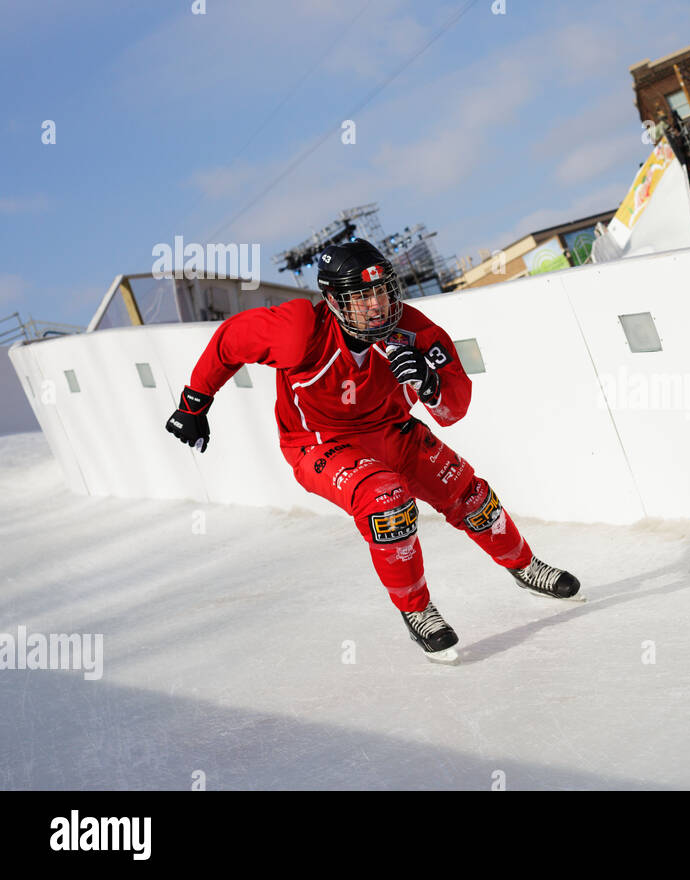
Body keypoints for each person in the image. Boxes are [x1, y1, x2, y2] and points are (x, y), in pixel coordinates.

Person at [164, 239, 579, 664]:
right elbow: (231, 339)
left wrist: (430, 383)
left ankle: (525, 567)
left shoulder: (418, 334)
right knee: (387, 500)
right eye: (360, 296)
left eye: (382, 290)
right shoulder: (299, 330)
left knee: (468, 493)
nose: (377, 304)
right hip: (320, 445)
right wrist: (193, 403)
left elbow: (455, 408)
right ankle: (417, 611)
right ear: (332, 300)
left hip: (395, 433)